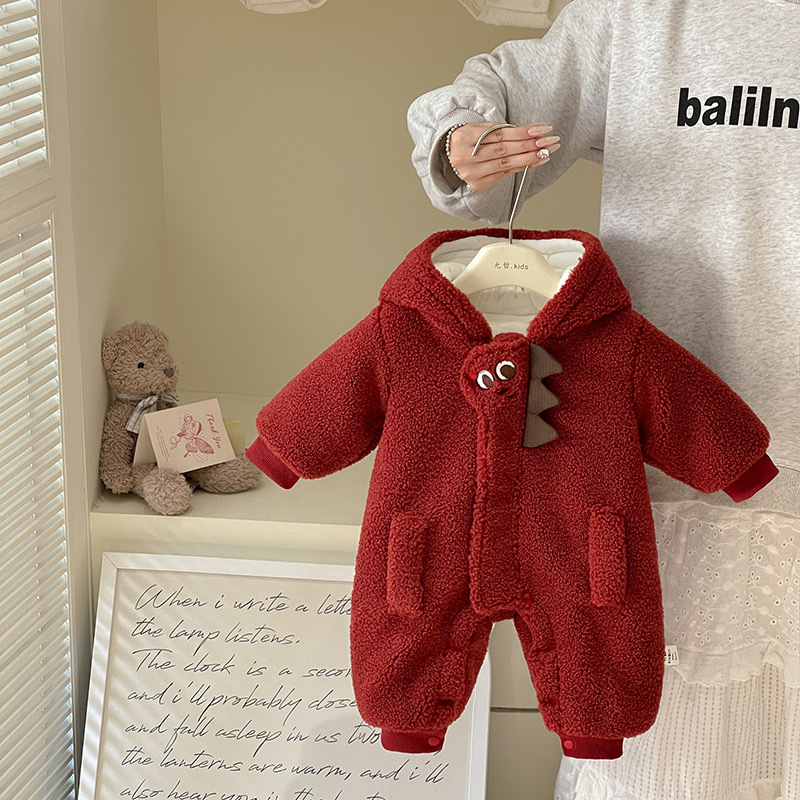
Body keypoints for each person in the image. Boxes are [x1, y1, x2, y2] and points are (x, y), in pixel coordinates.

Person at [408, 1, 799, 798]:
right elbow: (504, 91)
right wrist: (464, 137)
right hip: (683, 470)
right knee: (679, 769)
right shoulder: (643, 14)